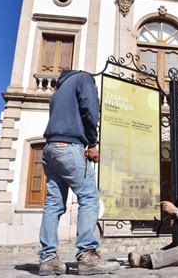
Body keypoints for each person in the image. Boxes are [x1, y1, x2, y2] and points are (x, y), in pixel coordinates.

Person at [38, 70, 120, 276]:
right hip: (70, 146)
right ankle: (88, 256)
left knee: (53, 204)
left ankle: (48, 259)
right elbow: (90, 110)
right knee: (89, 198)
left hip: (50, 149)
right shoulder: (84, 79)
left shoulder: (57, 91)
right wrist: (92, 142)